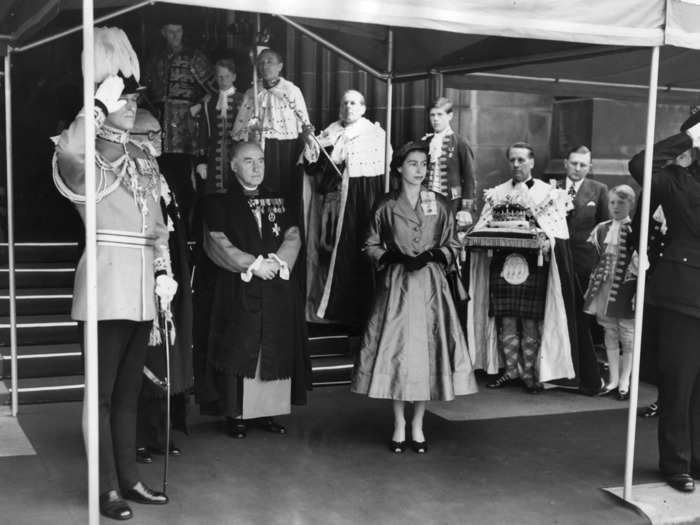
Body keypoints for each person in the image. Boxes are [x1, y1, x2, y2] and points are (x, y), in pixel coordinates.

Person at [52, 27, 174, 520]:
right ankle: (103, 489)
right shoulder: (86, 151)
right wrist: (94, 108)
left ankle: (129, 479)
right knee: (100, 396)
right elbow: (71, 154)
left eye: (127, 99)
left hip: (142, 285)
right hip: (105, 281)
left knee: (128, 395)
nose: (130, 106)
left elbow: (158, 224)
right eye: (122, 99)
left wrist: (163, 271)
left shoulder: (141, 155)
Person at [351, 141, 478, 454]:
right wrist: (390, 256)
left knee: (425, 353)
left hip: (430, 284)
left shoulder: (440, 203)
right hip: (396, 285)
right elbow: (369, 244)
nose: (419, 170)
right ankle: (398, 423)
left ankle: (418, 424)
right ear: (398, 168)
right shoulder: (385, 205)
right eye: (412, 164)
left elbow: (454, 243)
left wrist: (436, 253)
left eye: (423, 164)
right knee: (397, 352)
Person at [201, 141, 311, 438]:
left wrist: (277, 262)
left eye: (260, 161)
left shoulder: (279, 199)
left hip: (275, 286)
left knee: (273, 345)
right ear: (233, 165)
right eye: (248, 161)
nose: (256, 167)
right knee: (241, 347)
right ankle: (235, 413)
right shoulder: (218, 202)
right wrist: (253, 265)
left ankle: (266, 411)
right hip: (239, 285)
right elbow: (216, 242)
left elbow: (293, 235)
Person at [467, 142, 593, 393]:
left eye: (521, 160)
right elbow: (483, 226)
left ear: (532, 162)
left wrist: (548, 241)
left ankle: (529, 373)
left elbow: (559, 232)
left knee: (531, 321)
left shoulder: (549, 193)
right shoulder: (497, 193)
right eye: (512, 160)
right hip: (504, 264)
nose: (516, 165)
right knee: (507, 318)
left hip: (536, 266)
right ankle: (511, 371)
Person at [628, 113, 700, 492]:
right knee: (679, 383)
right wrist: (687, 136)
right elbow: (639, 165)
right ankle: (677, 464)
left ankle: (698, 459)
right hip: (683, 294)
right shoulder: (675, 181)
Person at [130, 109, 194, 463]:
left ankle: (161, 432)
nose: (159, 141)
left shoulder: (164, 178)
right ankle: (136, 436)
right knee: (143, 355)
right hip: (140, 274)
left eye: (159, 135)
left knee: (169, 354)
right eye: (151, 134)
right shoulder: (127, 176)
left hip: (171, 275)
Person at [302, 89, 388, 326]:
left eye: (354, 103)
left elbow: (377, 179)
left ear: (363, 108)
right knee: (325, 254)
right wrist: (311, 143)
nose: (348, 107)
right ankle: (326, 311)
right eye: (344, 103)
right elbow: (313, 167)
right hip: (330, 204)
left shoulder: (374, 135)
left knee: (352, 255)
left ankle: (354, 314)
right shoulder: (332, 131)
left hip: (356, 208)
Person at [143, 17, 213, 230]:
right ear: (163, 32)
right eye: (170, 31)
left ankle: (190, 229)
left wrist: (199, 106)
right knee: (162, 181)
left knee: (186, 183)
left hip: (186, 135)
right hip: (158, 133)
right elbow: (145, 92)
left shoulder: (195, 58)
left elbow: (216, 89)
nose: (175, 36)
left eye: (178, 31)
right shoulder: (155, 59)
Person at [232, 49, 311, 218]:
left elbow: (303, 123)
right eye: (261, 62)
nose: (265, 65)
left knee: (285, 189)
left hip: (285, 147)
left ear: (280, 66)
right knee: (262, 186)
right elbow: (241, 126)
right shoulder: (252, 92)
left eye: (270, 61)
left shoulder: (291, 91)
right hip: (259, 146)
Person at [583, 185, 638, 400]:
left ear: (631, 204)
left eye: (621, 202)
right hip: (605, 287)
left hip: (626, 289)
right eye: (613, 202)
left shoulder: (635, 230)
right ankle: (614, 379)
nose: (616, 207)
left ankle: (625, 380)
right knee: (610, 332)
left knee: (628, 334)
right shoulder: (602, 229)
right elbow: (597, 258)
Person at [561, 146, 610, 287]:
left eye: (582, 165)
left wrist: (603, 263)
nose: (577, 168)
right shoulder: (552, 187)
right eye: (573, 163)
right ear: (565, 163)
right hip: (557, 256)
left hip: (586, 260)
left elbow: (604, 228)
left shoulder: (599, 189)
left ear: (589, 167)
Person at [195, 58, 244, 195]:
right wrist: (202, 161)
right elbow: (203, 133)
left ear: (234, 77)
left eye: (227, 76)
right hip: (213, 159)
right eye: (220, 77)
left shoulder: (243, 100)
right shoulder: (209, 101)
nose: (223, 80)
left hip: (237, 156)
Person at [421, 96, 476, 216]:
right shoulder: (426, 142)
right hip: (427, 200)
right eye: (432, 115)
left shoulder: (460, 142)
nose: (435, 119)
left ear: (450, 116)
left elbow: (469, 178)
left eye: (440, 115)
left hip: (451, 201)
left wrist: (466, 209)